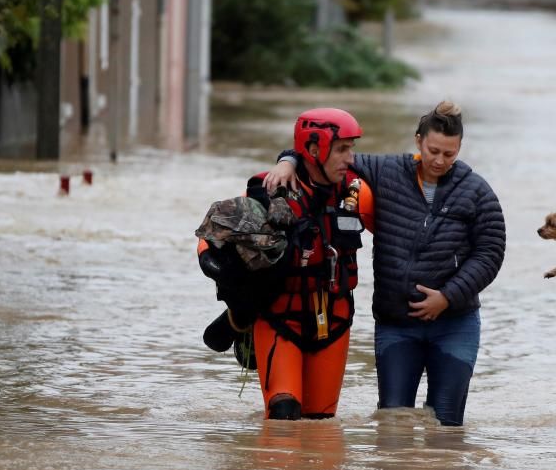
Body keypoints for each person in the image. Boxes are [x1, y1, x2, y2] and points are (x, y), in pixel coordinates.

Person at [266, 101, 506, 426]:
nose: (439, 160)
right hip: (397, 324)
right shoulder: (386, 172)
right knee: (393, 424)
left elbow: (490, 253)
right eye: (433, 150)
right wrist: (288, 160)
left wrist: (448, 296)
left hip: (454, 324)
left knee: (446, 427)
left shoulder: (477, 192)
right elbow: (327, 158)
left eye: (449, 154)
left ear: (460, 149)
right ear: (418, 140)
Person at [197, 107, 374, 420]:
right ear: (314, 150)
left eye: (353, 149)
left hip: (334, 321)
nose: (351, 159)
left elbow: (403, 238)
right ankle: (238, 320)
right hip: (280, 319)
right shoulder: (269, 189)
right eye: (343, 149)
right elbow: (214, 234)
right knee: (284, 415)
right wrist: (217, 269)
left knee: (319, 424)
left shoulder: (359, 194)